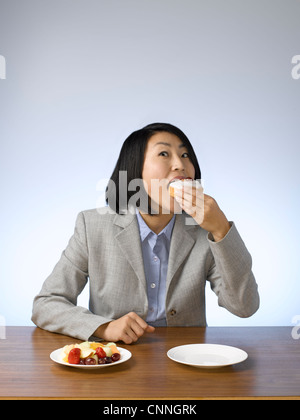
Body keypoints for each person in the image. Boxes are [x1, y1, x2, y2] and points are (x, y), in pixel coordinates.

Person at [31, 122, 259, 343]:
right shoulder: (92, 225)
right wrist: (103, 327)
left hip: (187, 360)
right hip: (117, 361)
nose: (180, 164)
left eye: (185, 155)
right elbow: (46, 304)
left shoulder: (204, 230)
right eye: (164, 154)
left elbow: (244, 306)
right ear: (135, 171)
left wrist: (221, 229)